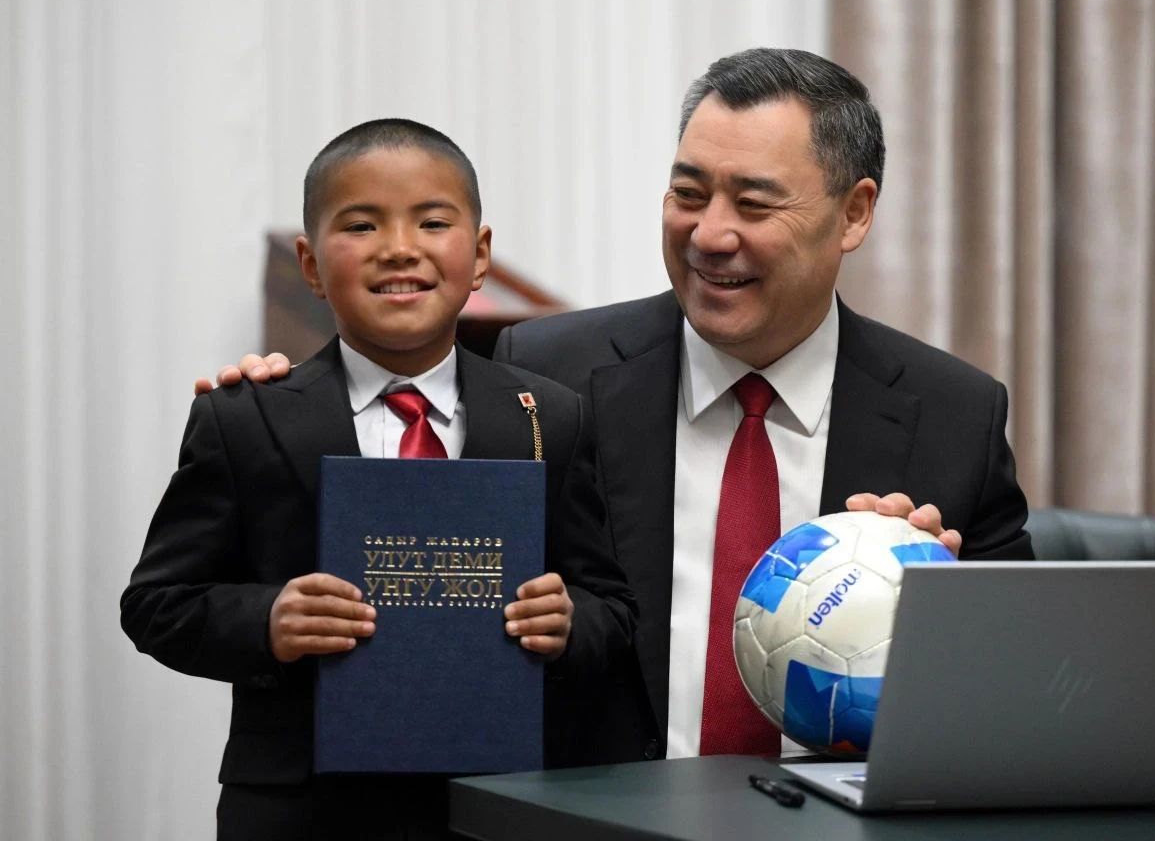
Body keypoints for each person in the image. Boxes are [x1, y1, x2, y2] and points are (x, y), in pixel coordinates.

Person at [202, 48, 1034, 766]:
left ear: (853, 213)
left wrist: (946, 615)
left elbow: (1018, 689)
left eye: (753, 204)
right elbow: (403, 556)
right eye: (688, 193)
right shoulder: (543, 375)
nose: (710, 235)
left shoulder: (952, 415)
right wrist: (291, 396)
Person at [123, 118, 637, 841]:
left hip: (497, 803)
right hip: (300, 812)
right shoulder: (244, 416)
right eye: (361, 225)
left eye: (433, 222)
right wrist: (268, 620)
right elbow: (156, 605)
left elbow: (612, 607)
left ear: (480, 255)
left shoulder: (549, 417)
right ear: (310, 266)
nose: (399, 247)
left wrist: (569, 623)